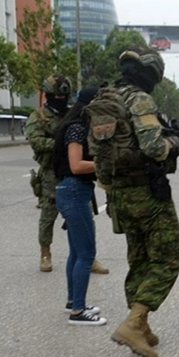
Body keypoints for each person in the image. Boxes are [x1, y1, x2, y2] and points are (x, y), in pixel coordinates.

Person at [85, 46, 179, 357]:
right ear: (152, 73)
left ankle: (142, 324)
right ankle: (134, 323)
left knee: (139, 258)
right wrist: (176, 142)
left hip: (118, 194)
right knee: (168, 260)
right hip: (148, 193)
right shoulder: (139, 100)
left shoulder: (105, 100)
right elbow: (154, 148)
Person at [25, 74, 109, 275]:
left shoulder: (74, 113)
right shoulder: (39, 117)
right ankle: (45, 253)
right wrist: (66, 144)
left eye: (64, 96)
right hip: (51, 174)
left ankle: (89, 256)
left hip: (76, 173)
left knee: (84, 216)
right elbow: (36, 141)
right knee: (48, 216)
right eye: (56, 95)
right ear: (48, 94)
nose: (60, 99)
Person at [54, 86, 107, 326]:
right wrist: (105, 163)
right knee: (86, 253)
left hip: (71, 191)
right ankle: (78, 311)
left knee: (76, 252)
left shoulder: (73, 124)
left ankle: (72, 301)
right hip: (74, 190)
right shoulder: (76, 128)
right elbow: (76, 165)